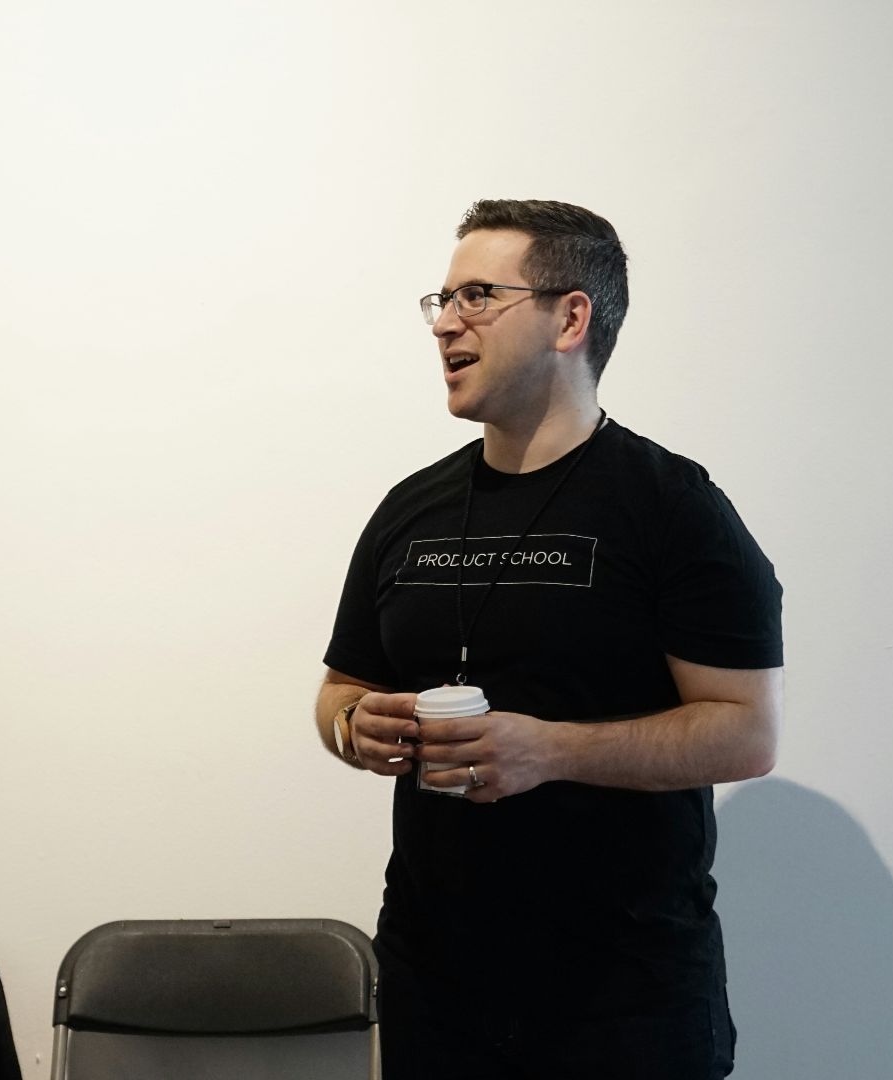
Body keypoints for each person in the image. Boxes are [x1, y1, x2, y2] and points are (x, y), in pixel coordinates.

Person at [316, 199, 784, 1079]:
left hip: (622, 999)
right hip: (435, 986)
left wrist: (550, 751)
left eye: (478, 295)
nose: (446, 322)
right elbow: (339, 689)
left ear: (572, 317)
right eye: (441, 300)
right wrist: (354, 726)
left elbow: (747, 731)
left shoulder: (671, 508)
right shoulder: (408, 509)